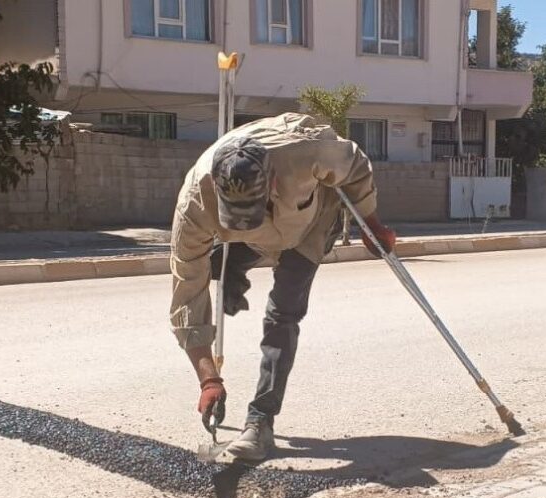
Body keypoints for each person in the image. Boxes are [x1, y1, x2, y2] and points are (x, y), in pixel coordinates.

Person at [169, 113, 396, 462]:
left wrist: (370, 221)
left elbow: (356, 164)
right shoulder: (195, 204)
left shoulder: (305, 152)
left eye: (252, 210)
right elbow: (186, 295)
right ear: (215, 187)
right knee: (213, 264)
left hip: (311, 223)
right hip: (251, 238)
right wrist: (208, 379)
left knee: (282, 314)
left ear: (274, 181)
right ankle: (233, 269)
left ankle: (260, 421)